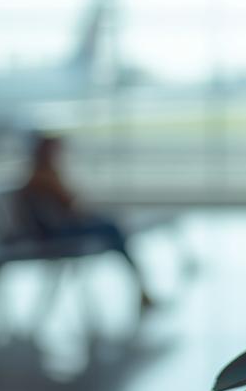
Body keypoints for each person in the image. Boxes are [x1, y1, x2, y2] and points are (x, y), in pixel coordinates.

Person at [19, 133, 157, 311]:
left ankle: (141, 287)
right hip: (54, 234)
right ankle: (141, 287)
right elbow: (69, 205)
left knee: (110, 227)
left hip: (58, 229)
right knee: (112, 229)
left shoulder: (44, 175)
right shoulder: (42, 178)